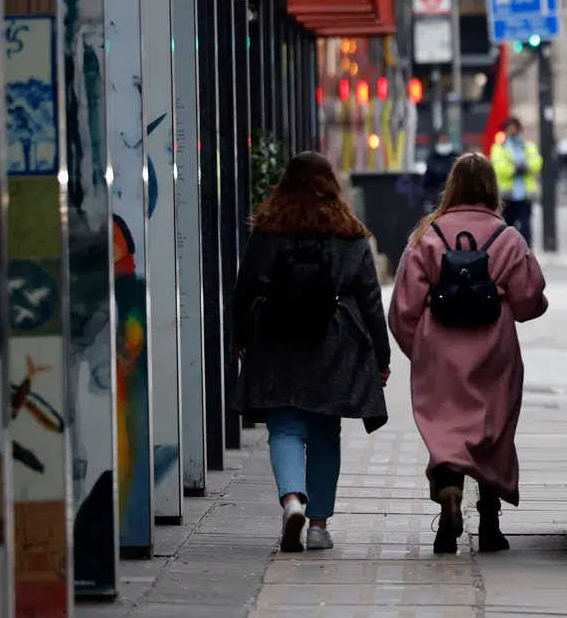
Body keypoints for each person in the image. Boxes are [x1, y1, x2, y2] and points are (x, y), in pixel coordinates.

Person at [388, 153, 548, 554]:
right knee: (492, 432)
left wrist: (422, 349)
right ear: (492, 188)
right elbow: (531, 301)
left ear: (453, 186)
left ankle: (449, 500)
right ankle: (490, 524)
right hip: (495, 353)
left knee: (446, 431)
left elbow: (403, 309)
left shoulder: (427, 236)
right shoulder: (508, 238)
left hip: (439, 353)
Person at [231, 152, 390, 554]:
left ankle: (291, 501)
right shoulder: (349, 232)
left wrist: (241, 335)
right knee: (324, 432)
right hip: (332, 340)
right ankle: (318, 526)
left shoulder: (270, 228)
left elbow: (245, 286)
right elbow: (370, 299)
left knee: (284, 427)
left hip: (276, 334)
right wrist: (381, 356)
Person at [490, 117, 542, 245]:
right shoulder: (498, 148)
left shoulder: (529, 146)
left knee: (525, 227)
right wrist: (515, 169)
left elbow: (537, 163)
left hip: (525, 194)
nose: (512, 131)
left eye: (515, 128)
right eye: (509, 128)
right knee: (507, 227)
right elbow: (498, 167)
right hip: (507, 195)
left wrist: (523, 166)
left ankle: (526, 253)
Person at [420, 136, 459, 211]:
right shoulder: (432, 157)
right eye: (442, 142)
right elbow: (427, 180)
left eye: (445, 142)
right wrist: (427, 198)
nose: (444, 144)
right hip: (434, 197)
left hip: (453, 198)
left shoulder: (456, 157)